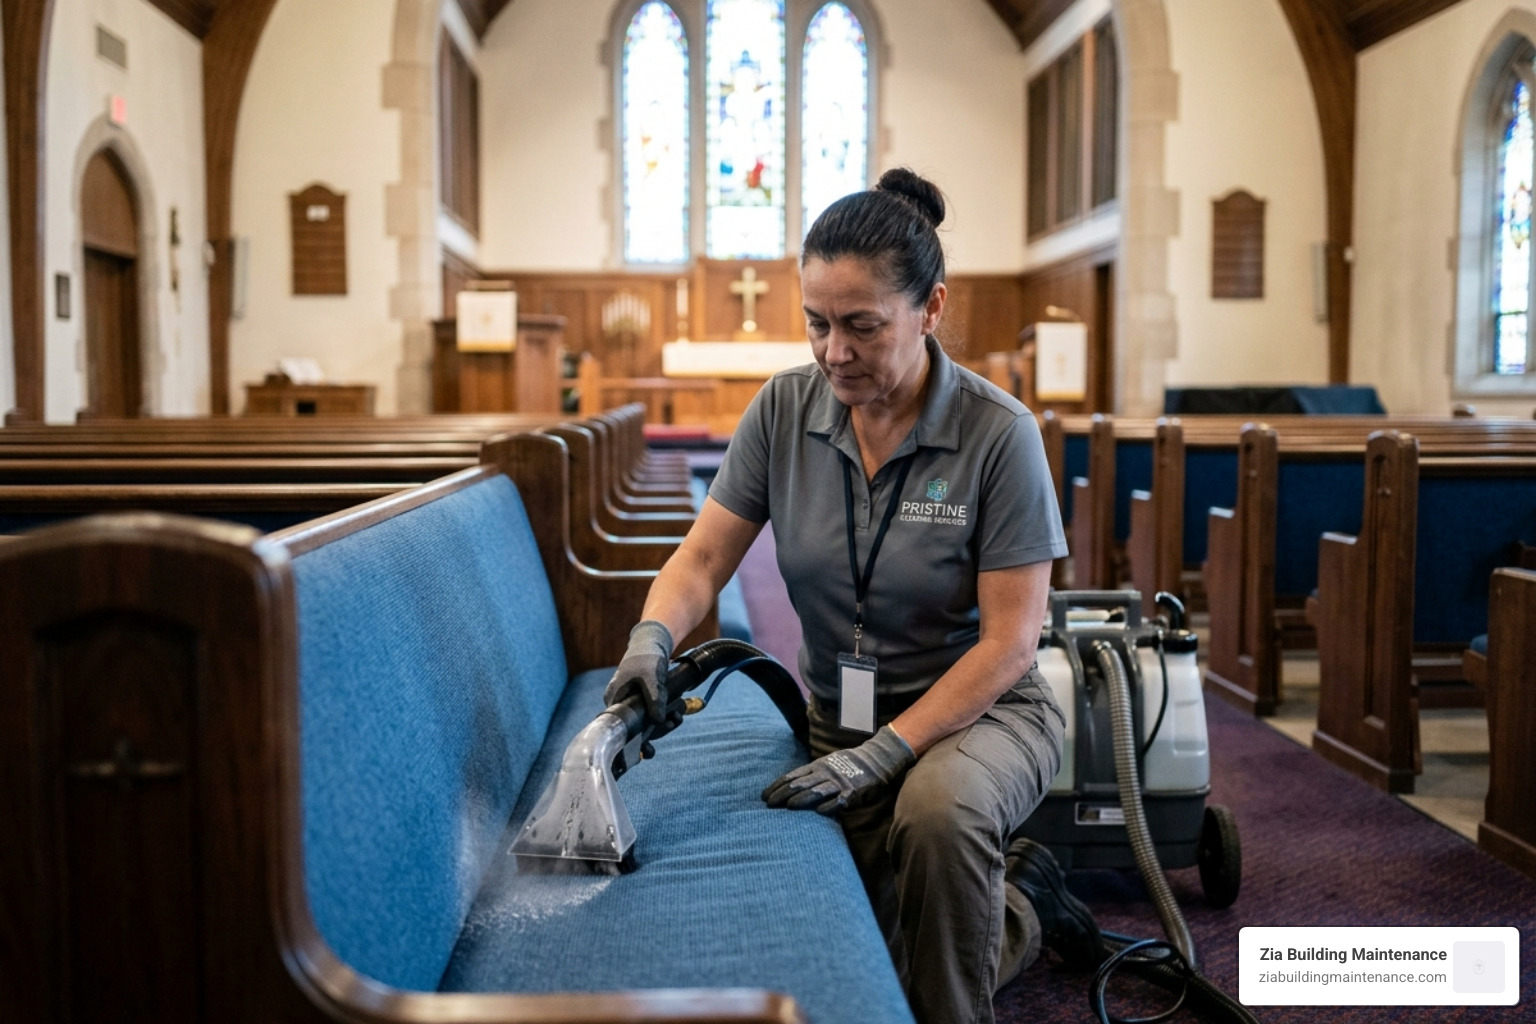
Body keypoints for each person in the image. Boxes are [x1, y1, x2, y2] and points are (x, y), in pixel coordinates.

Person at [606, 168, 1104, 1024]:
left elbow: (1010, 644)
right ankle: (1021, 907)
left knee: (937, 820)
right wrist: (651, 638)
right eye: (818, 324)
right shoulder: (784, 410)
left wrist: (887, 754)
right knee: (875, 933)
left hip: (981, 714)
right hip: (840, 718)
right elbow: (701, 560)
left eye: (862, 327)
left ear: (931, 308)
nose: (835, 351)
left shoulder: (998, 435)